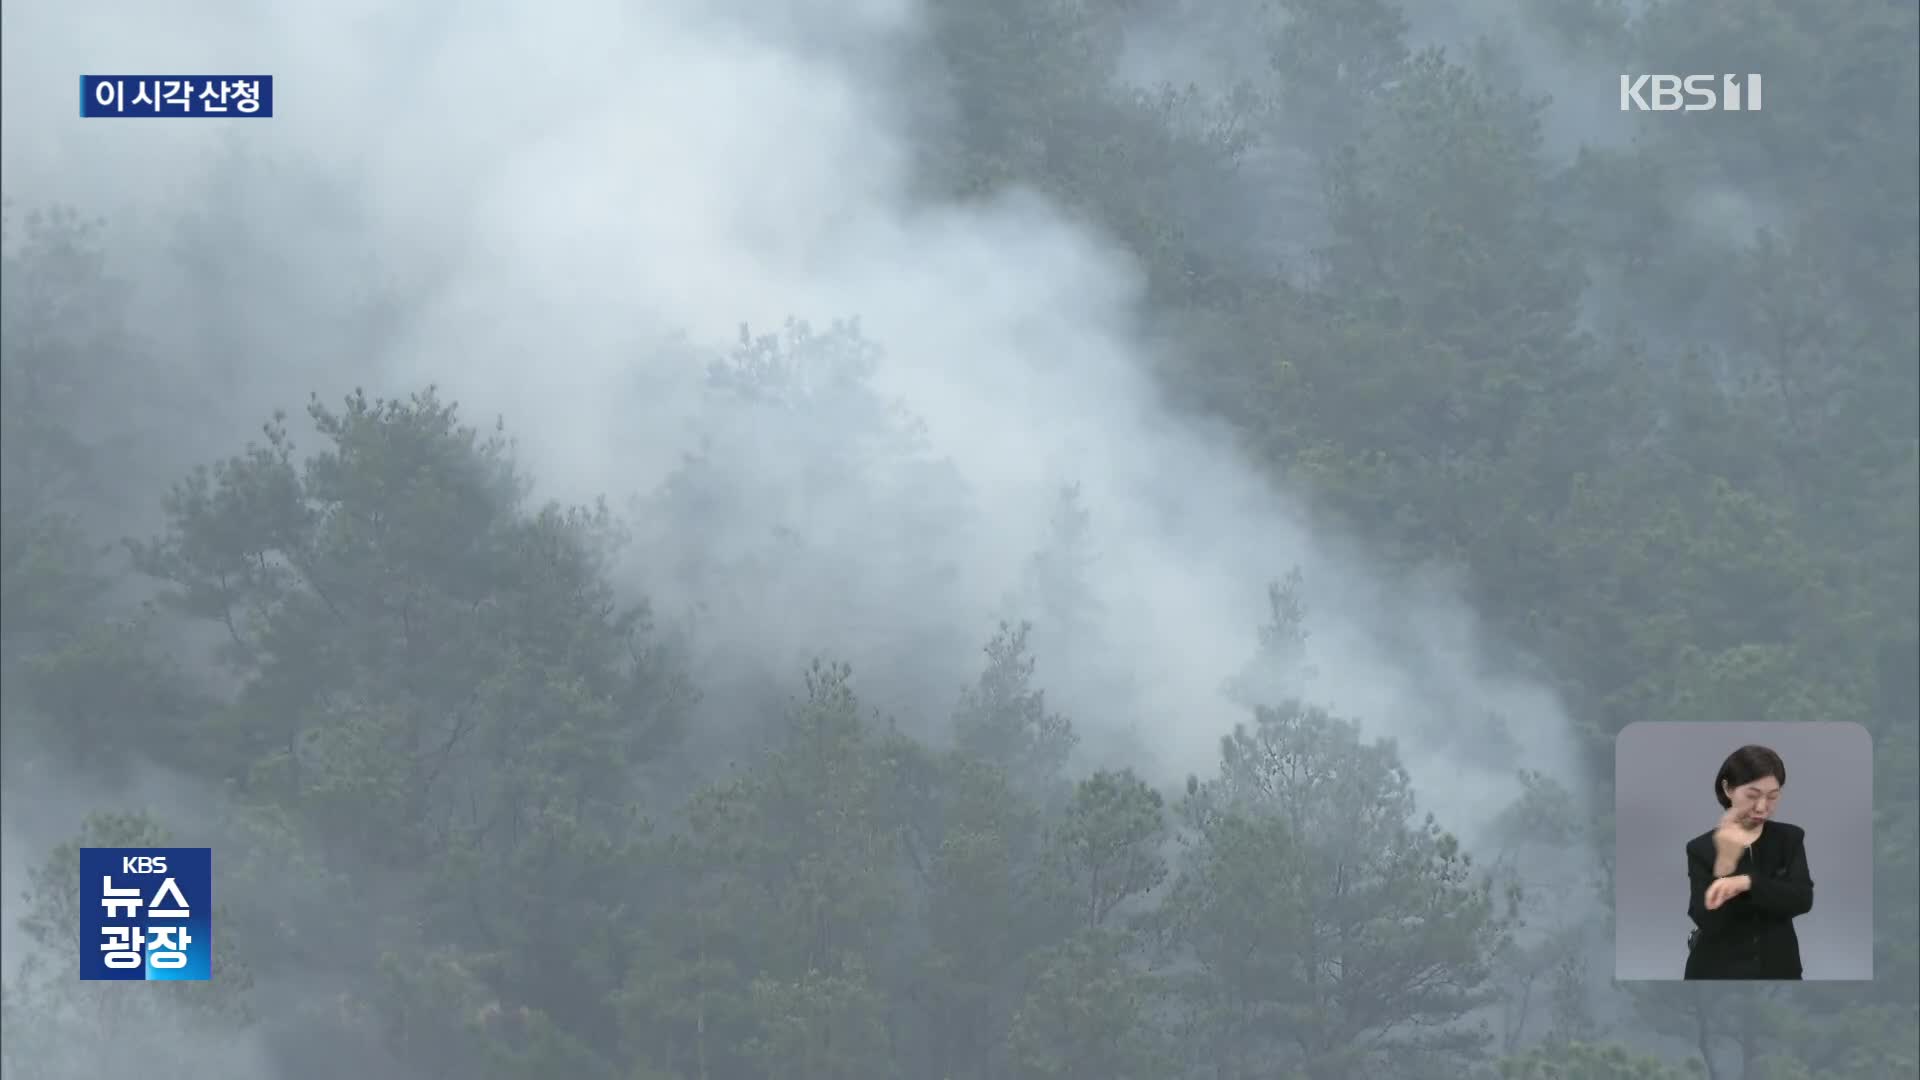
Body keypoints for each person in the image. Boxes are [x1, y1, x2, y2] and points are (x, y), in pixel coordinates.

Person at [1683, 744, 1815, 979]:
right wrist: (1725, 862)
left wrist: (1746, 883)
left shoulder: (1790, 838)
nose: (1763, 807)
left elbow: (1801, 899)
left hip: (1780, 970)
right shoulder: (1700, 848)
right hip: (1716, 975)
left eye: (1773, 796)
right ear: (1728, 789)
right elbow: (1708, 921)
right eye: (1752, 796)